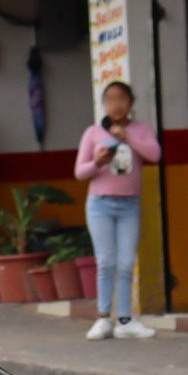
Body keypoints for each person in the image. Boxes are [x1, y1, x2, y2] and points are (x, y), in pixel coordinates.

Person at [74, 80, 161, 340]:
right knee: (106, 261)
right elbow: (80, 172)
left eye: (122, 99)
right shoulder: (93, 133)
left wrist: (129, 138)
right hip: (100, 204)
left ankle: (125, 320)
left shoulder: (141, 130)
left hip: (129, 204)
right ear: (104, 104)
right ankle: (103, 318)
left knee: (126, 262)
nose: (116, 105)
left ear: (131, 103)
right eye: (110, 100)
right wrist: (98, 162)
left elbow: (155, 155)